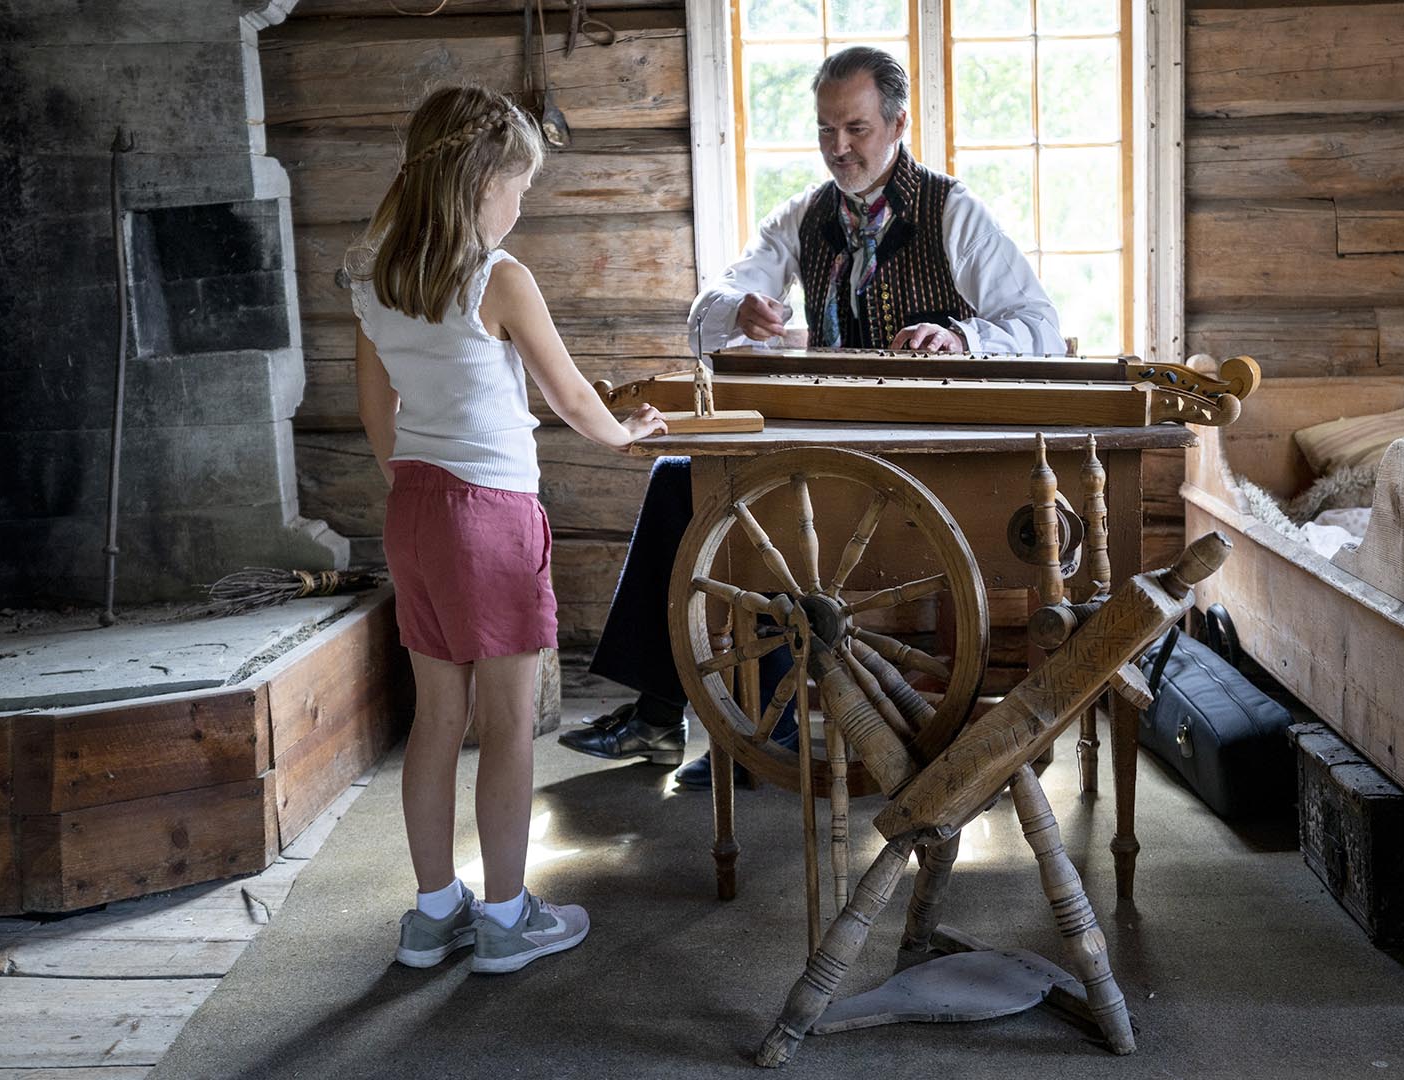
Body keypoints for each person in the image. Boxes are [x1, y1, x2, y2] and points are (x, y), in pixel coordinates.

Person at [560, 46, 1063, 787]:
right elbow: (706, 314)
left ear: (895, 123)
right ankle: (681, 715)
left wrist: (961, 337)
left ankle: (752, 726)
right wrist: (743, 310)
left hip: (922, 461)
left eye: (856, 128)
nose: (838, 148)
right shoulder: (805, 216)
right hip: (823, 444)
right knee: (683, 484)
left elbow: (1040, 325)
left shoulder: (952, 213)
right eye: (826, 129)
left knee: (757, 506)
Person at [348, 86, 667, 973]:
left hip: (411, 509)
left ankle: (431, 914)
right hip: (489, 516)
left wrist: (422, 490)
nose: (523, 202)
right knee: (511, 724)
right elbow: (569, 398)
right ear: (481, 177)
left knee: (437, 722)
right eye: (519, 184)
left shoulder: (373, 276)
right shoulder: (499, 277)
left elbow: (377, 414)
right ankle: (504, 919)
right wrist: (627, 431)